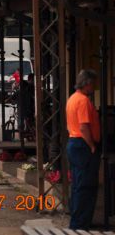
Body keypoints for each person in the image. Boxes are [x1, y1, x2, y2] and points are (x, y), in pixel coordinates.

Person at [66, 69, 101, 230]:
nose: (94, 86)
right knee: (85, 185)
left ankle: (78, 220)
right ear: (87, 83)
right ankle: (81, 223)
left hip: (74, 143)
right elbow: (84, 126)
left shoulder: (72, 99)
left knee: (77, 184)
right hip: (83, 145)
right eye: (93, 83)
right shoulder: (83, 101)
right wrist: (92, 145)